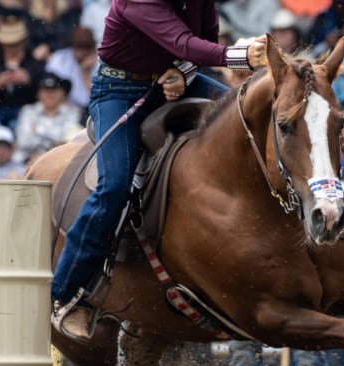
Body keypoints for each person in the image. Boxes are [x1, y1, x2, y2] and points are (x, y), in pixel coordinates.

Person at [49, 0, 268, 338]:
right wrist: (240, 57)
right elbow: (185, 43)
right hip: (119, 90)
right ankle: (66, 294)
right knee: (114, 186)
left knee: (248, 122)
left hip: (175, 78)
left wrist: (183, 73)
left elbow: (201, 41)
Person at [0, 20, 46, 127]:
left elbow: (46, 94)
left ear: (23, 42)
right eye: (8, 45)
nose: (12, 48)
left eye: (16, 44)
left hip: (27, 114)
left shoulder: (34, 64)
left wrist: (29, 82)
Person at [14, 73, 81, 165]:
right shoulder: (28, 111)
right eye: (45, 90)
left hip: (61, 161)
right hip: (28, 161)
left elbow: (70, 142)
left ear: (62, 93)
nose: (49, 94)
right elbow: (23, 141)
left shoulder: (72, 112)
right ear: (38, 93)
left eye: (54, 90)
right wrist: (55, 141)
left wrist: (38, 131)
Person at [45, 27, 96, 111]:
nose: (83, 53)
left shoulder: (101, 64)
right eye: (79, 48)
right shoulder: (59, 60)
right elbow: (48, 90)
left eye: (87, 48)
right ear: (72, 46)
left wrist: (86, 73)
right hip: (64, 109)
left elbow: (96, 100)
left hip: (91, 111)